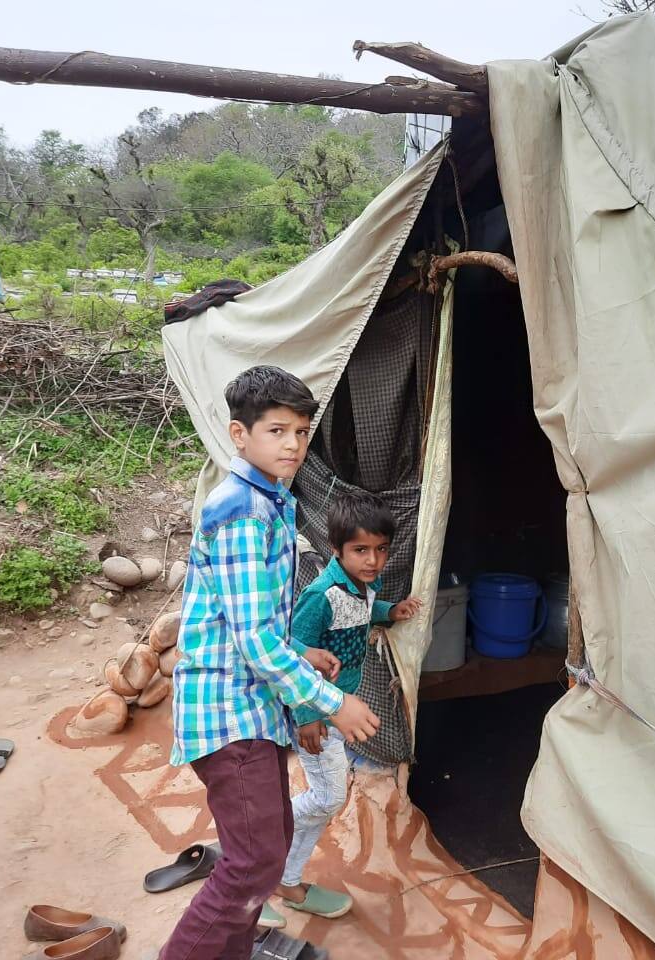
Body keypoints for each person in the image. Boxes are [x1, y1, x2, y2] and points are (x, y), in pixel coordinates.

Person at [159, 365, 380, 960]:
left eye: (302, 432)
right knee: (254, 863)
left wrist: (298, 648)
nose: (293, 445)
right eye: (277, 430)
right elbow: (254, 644)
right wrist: (335, 704)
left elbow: (250, 623)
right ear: (239, 434)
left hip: (254, 707)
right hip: (229, 713)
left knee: (268, 842)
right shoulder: (241, 511)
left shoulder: (270, 502)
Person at [269, 490, 423, 923]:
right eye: (361, 550)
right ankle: (258, 844)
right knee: (328, 797)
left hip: (338, 709)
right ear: (336, 550)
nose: (373, 560)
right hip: (316, 712)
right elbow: (292, 656)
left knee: (324, 800)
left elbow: (366, 613)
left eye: (381, 550)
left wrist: (394, 611)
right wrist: (307, 717)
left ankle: (287, 877)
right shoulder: (321, 595)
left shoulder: (363, 586)